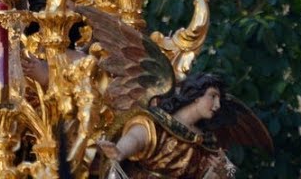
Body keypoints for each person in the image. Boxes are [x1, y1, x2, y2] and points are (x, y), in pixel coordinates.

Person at [96, 73, 238, 179]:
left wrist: (224, 172)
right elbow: (138, 136)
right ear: (196, 95)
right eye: (213, 96)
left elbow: (230, 170)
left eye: (219, 99)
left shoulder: (206, 141)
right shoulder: (160, 122)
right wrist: (120, 151)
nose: (217, 105)